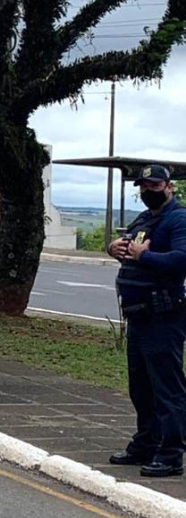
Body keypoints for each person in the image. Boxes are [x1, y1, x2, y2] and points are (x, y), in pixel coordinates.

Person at [107, 164, 186, 478]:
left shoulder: (178, 219)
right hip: (138, 314)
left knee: (167, 388)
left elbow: (180, 259)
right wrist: (117, 248)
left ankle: (170, 454)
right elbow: (130, 244)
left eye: (153, 186)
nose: (146, 191)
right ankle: (146, 442)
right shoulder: (144, 219)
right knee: (140, 387)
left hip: (163, 315)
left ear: (168, 186)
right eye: (142, 186)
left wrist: (144, 256)